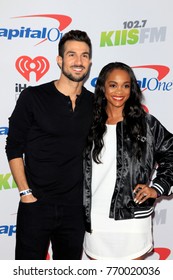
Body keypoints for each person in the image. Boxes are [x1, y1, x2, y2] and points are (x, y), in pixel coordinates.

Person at [5, 30, 93, 260]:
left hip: (75, 209)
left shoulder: (95, 103)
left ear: (90, 62)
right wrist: (25, 193)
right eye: (72, 55)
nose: (78, 61)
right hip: (36, 204)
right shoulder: (33, 97)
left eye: (84, 55)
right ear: (60, 60)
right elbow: (13, 146)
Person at [83, 62, 173, 260]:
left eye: (126, 85)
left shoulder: (146, 124)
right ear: (102, 87)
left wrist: (157, 188)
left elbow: (171, 154)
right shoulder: (88, 124)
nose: (119, 91)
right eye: (113, 85)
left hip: (132, 220)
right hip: (96, 221)